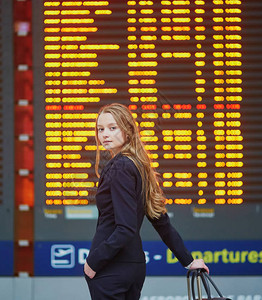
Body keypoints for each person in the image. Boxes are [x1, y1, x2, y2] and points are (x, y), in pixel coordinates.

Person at [84, 103, 209, 300]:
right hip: (134, 268)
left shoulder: (119, 168)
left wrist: (93, 262)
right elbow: (159, 219)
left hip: (111, 268)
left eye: (112, 127)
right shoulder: (138, 166)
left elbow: (125, 228)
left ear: (128, 130)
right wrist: (188, 260)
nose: (105, 134)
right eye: (100, 129)